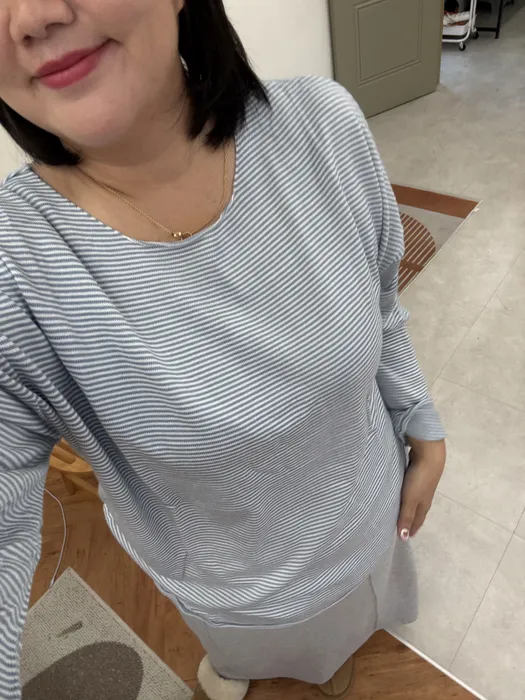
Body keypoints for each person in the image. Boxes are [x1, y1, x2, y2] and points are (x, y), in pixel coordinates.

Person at [0, 1, 447, 699]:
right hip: (236, 594)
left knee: (350, 634)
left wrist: (420, 418)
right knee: (256, 658)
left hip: (372, 513)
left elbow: (382, 305)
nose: (31, 17)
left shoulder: (323, 125)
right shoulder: (17, 271)